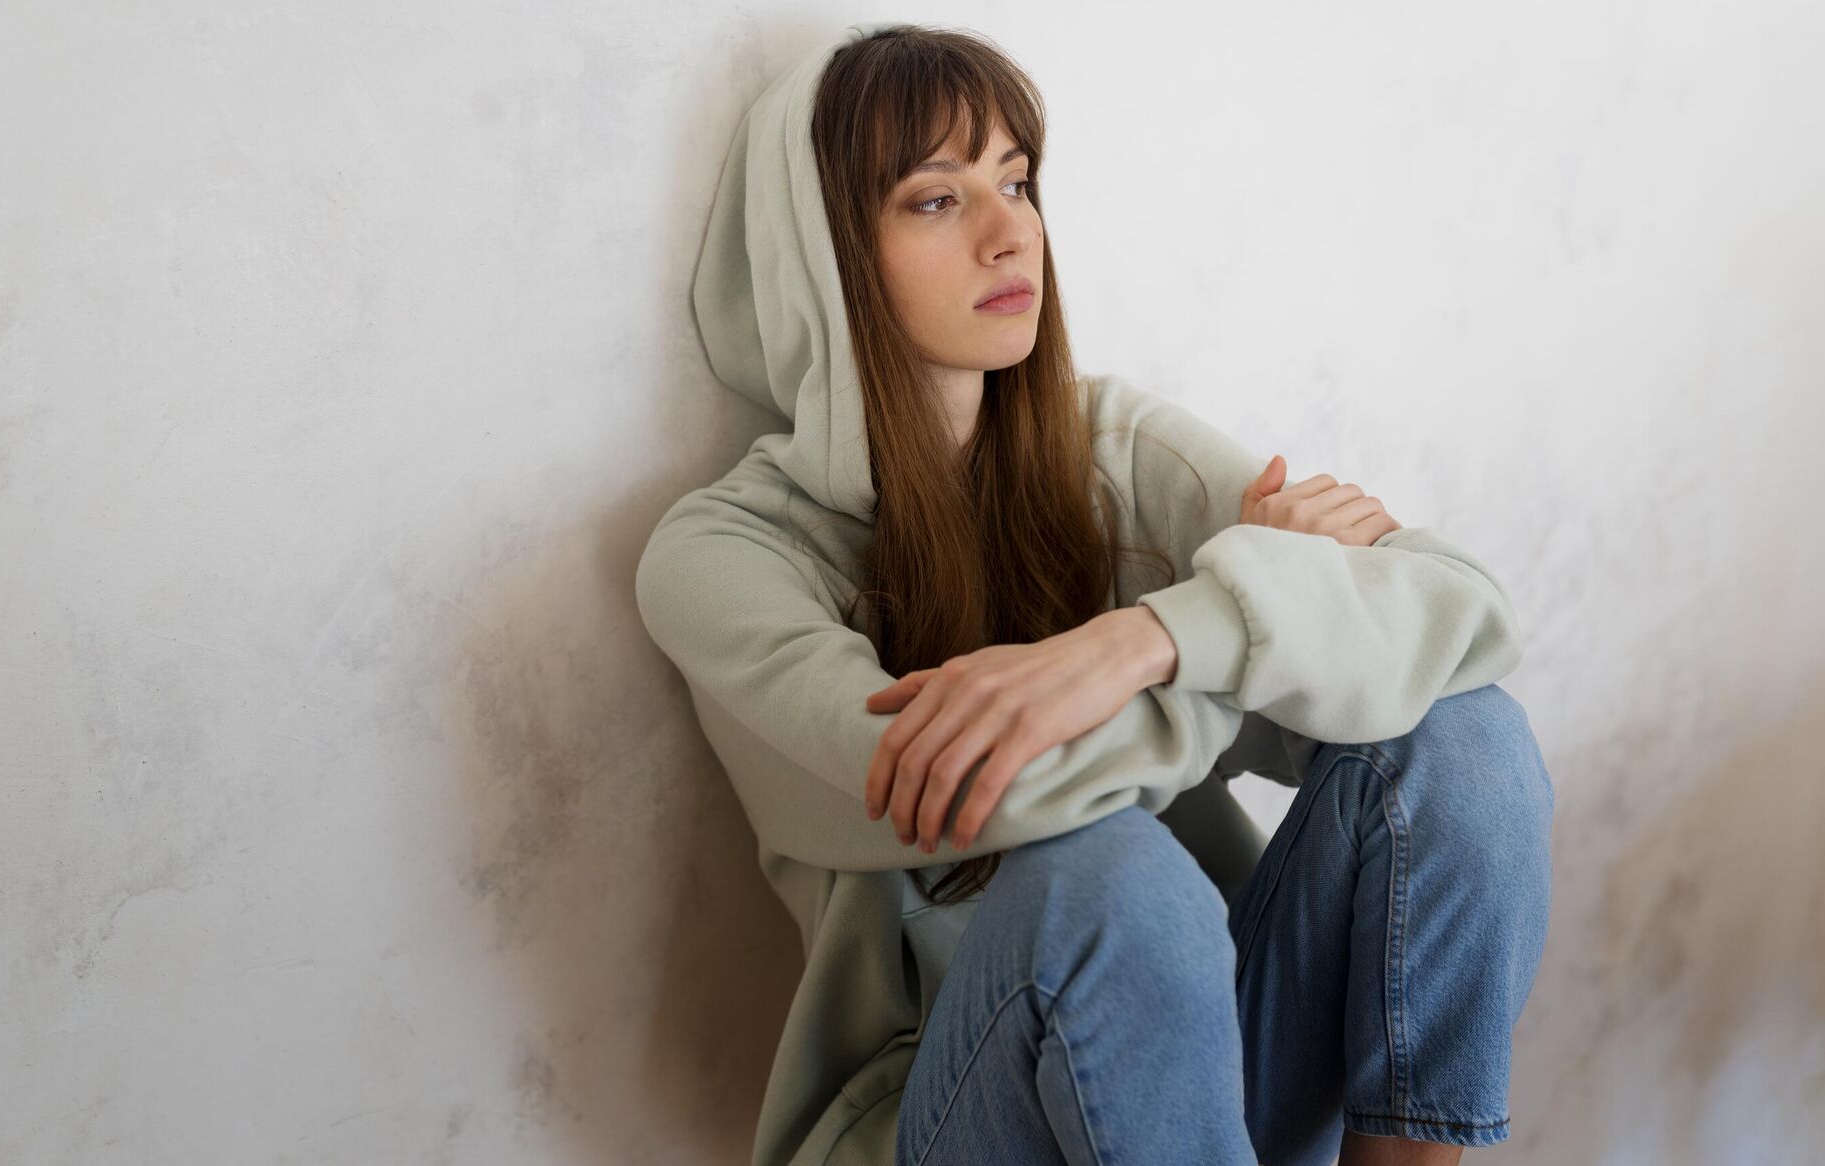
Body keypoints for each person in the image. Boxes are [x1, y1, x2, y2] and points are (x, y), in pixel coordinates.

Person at [634, 20, 1553, 1166]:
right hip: (958, 1111)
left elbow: (1463, 610)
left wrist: (1144, 638)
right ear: (821, 253)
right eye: (936, 198)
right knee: (1105, 872)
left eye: (1016, 181)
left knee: (1462, 737)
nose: (1008, 229)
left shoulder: (1106, 446)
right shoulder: (721, 559)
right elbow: (992, 792)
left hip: (1206, 1067)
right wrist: (1254, 622)